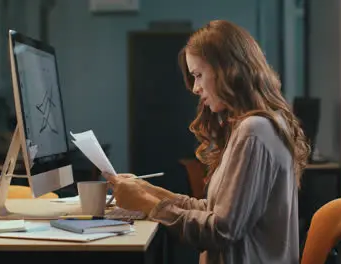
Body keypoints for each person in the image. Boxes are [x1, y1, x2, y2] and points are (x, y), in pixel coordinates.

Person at [104, 20, 310, 264]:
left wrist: (149, 205)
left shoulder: (254, 131)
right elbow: (216, 211)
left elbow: (220, 231)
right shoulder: (261, 125)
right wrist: (149, 192)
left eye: (198, 75)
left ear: (228, 70)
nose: (195, 88)